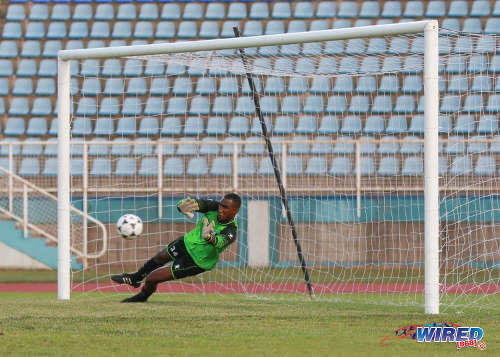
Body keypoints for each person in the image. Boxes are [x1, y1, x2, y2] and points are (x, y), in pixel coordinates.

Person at [111, 193, 241, 303]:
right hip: (186, 242)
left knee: (152, 278)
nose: (220, 209)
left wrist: (209, 237)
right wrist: (181, 206)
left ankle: (142, 297)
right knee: (160, 257)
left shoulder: (231, 231)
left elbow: (220, 242)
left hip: (198, 260)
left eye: (225, 207)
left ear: (235, 211)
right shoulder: (213, 206)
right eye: (221, 205)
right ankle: (135, 278)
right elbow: (195, 203)